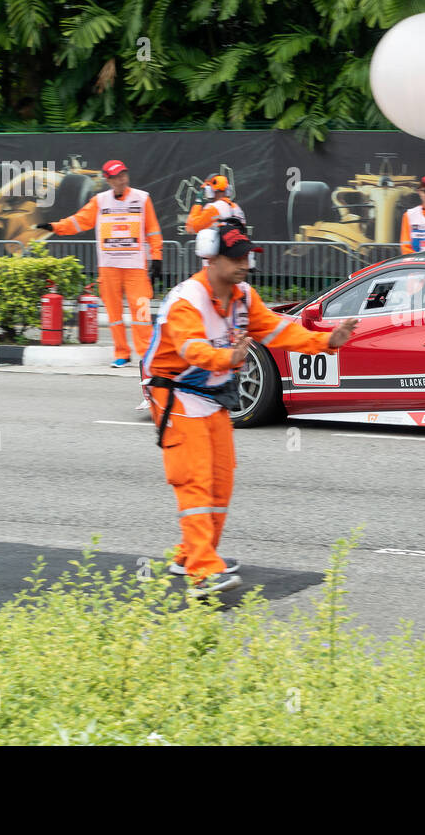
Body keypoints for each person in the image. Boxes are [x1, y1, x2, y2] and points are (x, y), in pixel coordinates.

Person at [140, 221, 358, 597]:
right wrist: (229, 356)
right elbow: (190, 349)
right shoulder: (186, 300)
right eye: (236, 256)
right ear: (210, 256)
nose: (245, 262)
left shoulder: (243, 295)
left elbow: (276, 330)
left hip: (213, 394)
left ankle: (193, 552)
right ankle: (202, 572)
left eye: (247, 255)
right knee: (194, 480)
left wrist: (326, 341)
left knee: (221, 478)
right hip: (174, 393)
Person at [40, 160, 164, 368]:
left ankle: (147, 355)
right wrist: (56, 227)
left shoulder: (142, 199)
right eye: (116, 176)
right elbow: (79, 221)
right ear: (108, 180)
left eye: (124, 174)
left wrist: (157, 256)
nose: (122, 179)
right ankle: (121, 353)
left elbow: (152, 230)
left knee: (141, 312)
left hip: (135, 267)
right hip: (108, 267)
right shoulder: (100, 201)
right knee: (114, 314)